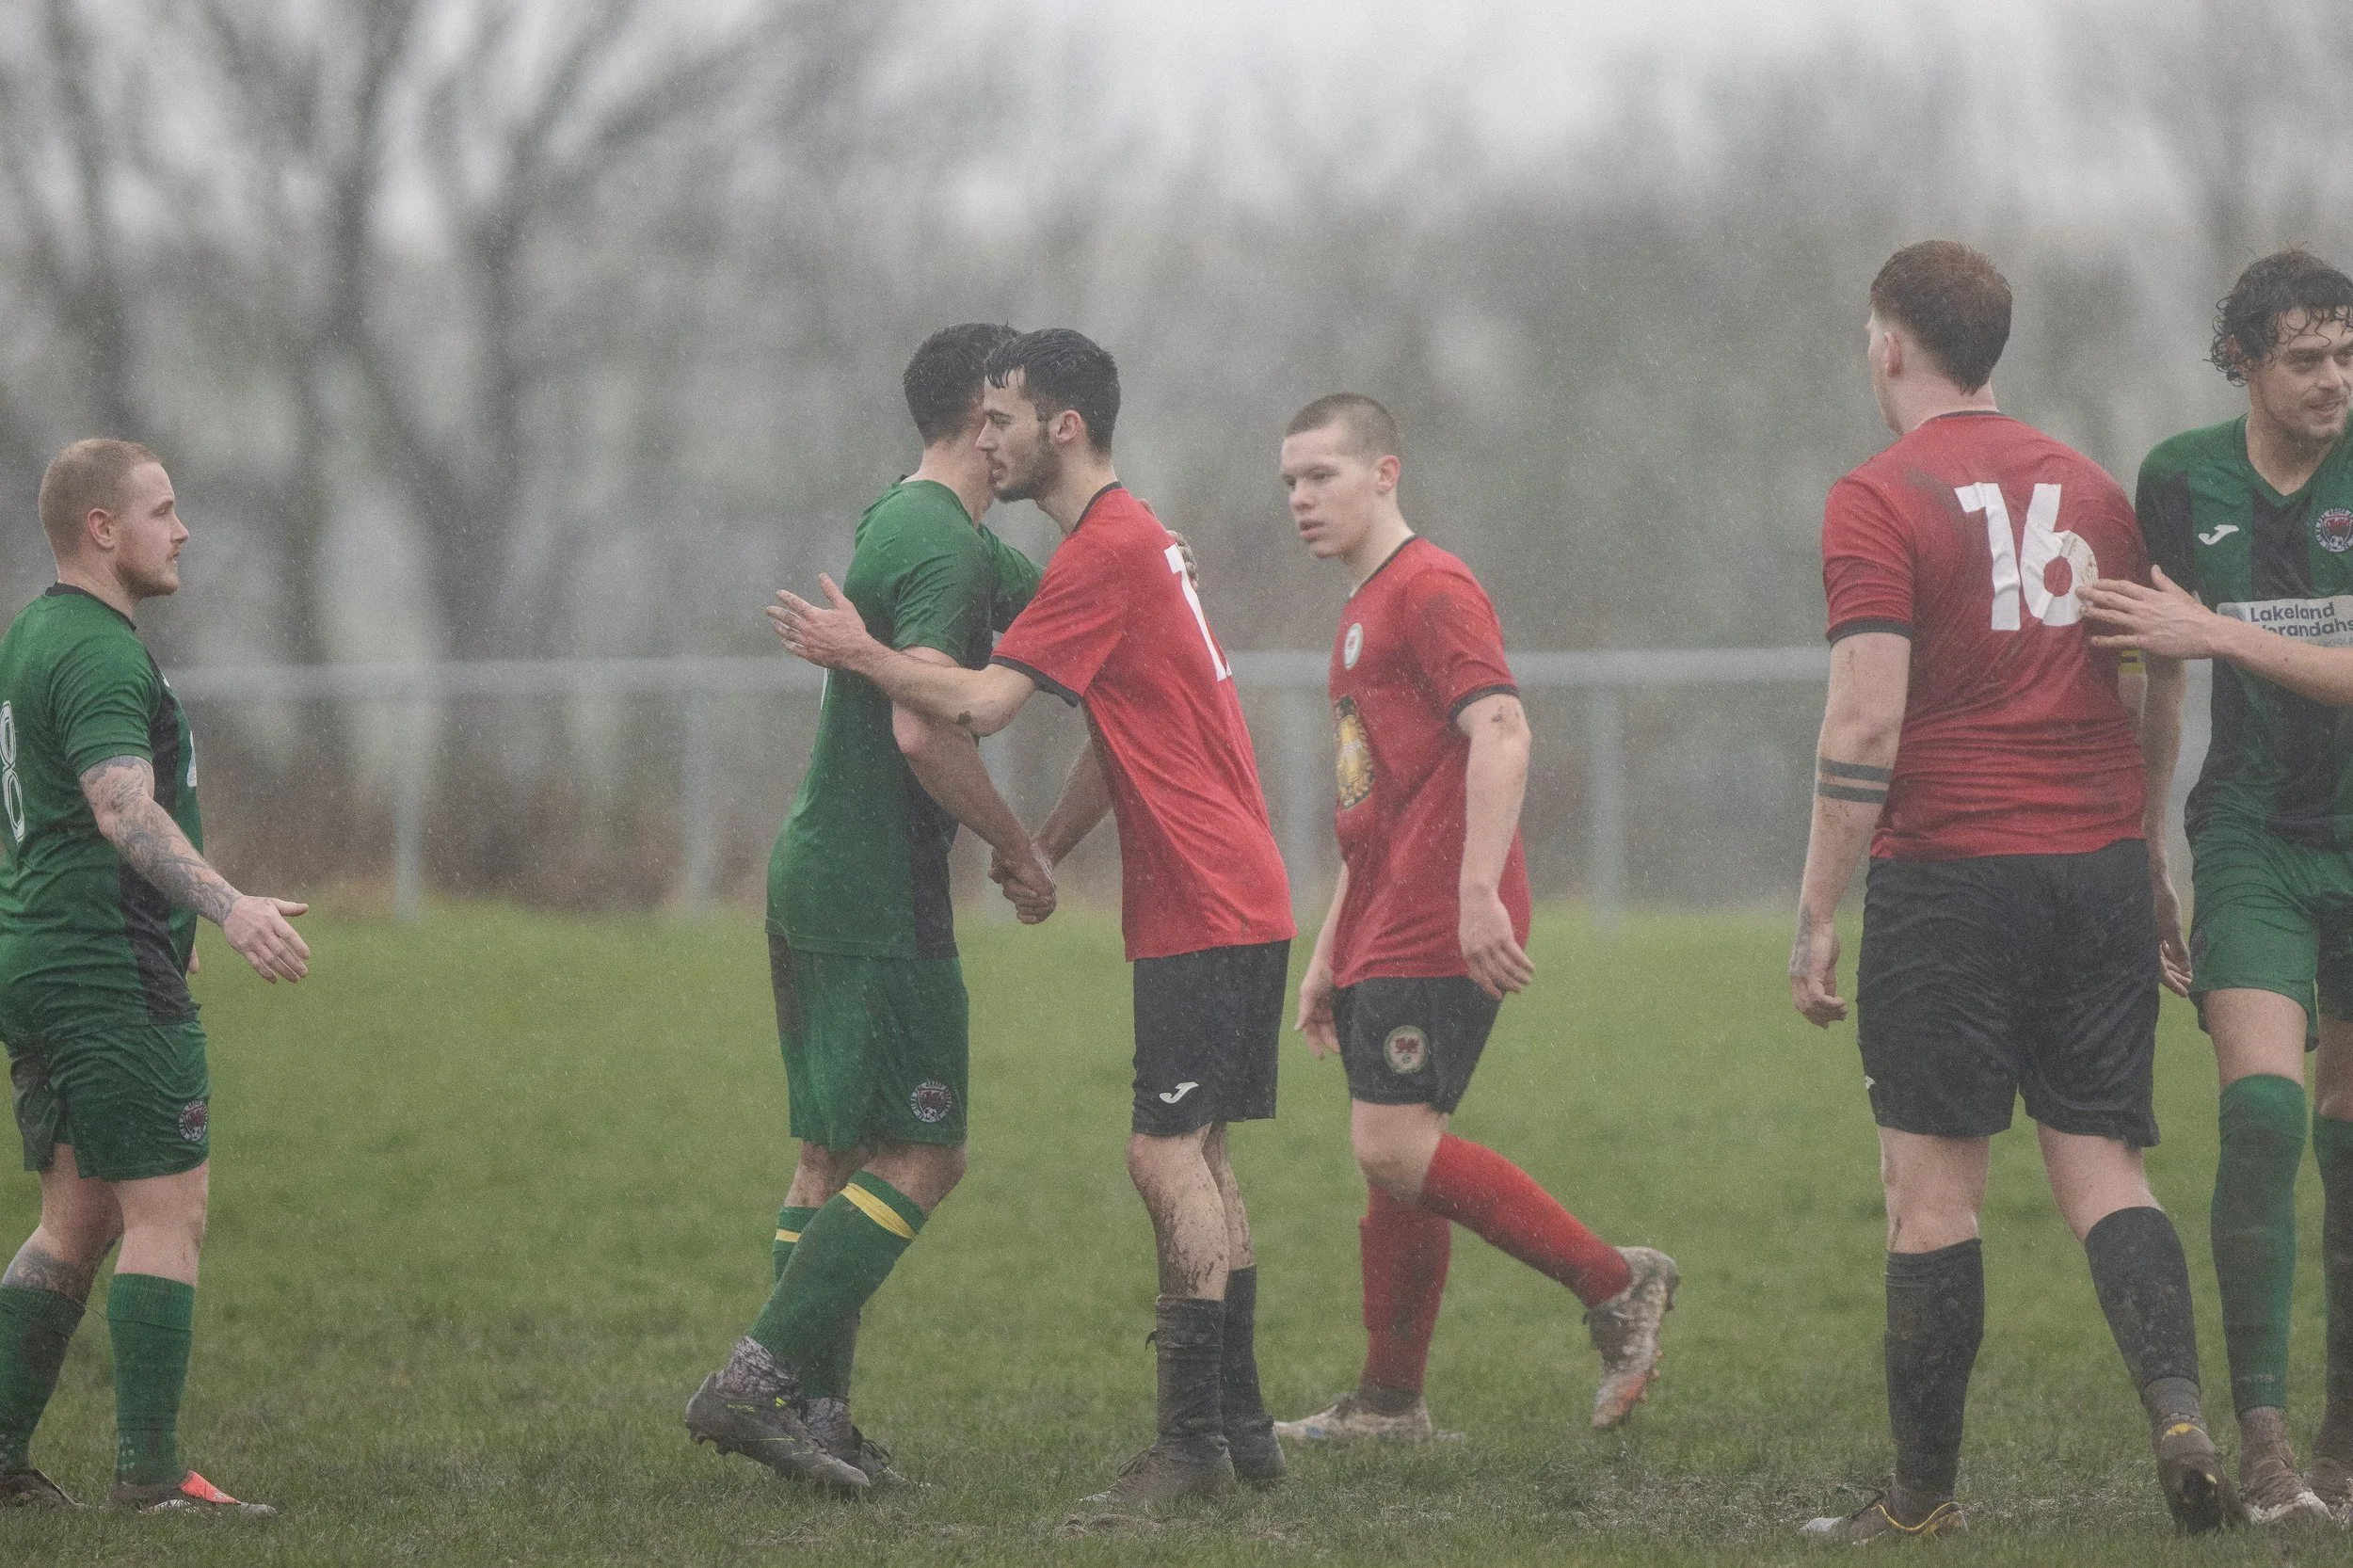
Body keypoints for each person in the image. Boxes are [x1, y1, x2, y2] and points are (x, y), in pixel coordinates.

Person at [770, 327, 1296, 1512]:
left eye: (1001, 415)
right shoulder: (1136, 543)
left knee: (1162, 1154)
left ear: (1062, 427)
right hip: (1232, 890)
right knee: (1203, 1153)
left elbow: (980, 705)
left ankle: (1187, 1451)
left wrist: (859, 651)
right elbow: (1124, 735)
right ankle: (1244, 1428)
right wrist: (1045, 849)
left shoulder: (1109, 549)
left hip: (1209, 897)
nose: (983, 434)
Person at [1788, 241, 2233, 1539]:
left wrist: (1819, 906)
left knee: (1933, 1194)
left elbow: (1868, 719)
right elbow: (2164, 674)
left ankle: (1920, 1501)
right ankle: (2179, 1413)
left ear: (1889, 345)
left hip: (1951, 876)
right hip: (2094, 865)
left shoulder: (1877, 495)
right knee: (2106, 1164)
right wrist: (2143, 849)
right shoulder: (2092, 488)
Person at [684, 325, 1058, 1495]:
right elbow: (919, 726)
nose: (1020, 430)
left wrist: (1142, 575)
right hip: (877, 890)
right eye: (1009, 407)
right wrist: (1016, 845)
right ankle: (754, 1383)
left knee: (830, 1153)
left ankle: (815, 1411)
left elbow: (1045, 602)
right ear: (977, 412)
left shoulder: (899, 518)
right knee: (925, 1154)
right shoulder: (943, 546)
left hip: (814, 871)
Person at [1269, 393, 1677, 1447]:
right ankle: (1390, 1404)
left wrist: (1476, 889)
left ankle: (1615, 1284)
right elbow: (1375, 815)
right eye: (1289, 482)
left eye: (1322, 475)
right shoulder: (1359, 612)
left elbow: (1501, 728)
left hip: (1437, 913)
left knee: (1396, 1145)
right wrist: (1327, 956)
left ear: (1386, 472)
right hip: (1385, 910)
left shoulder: (1431, 587)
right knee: (1390, 1154)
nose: (1302, 498)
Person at [2079, 248, 2353, 1525]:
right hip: (2247, 831)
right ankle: (2264, 1448)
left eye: (2347, 353)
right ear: (2243, 358)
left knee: (2346, 1131)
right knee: (2261, 1115)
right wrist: (2142, 840)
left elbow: (2210, 638)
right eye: (2307, 355)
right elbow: (2162, 666)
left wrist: (2219, 630)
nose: (2333, 378)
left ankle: (2345, 1430)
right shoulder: (2181, 477)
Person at [0, 440, 312, 1514]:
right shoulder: (93, 649)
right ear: (100, 527)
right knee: (167, 1209)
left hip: (40, 956)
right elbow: (120, 808)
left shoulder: (33, 632)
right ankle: (149, 1476)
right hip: (103, 969)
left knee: (76, 1216)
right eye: (163, 510)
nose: (180, 531)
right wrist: (230, 908)